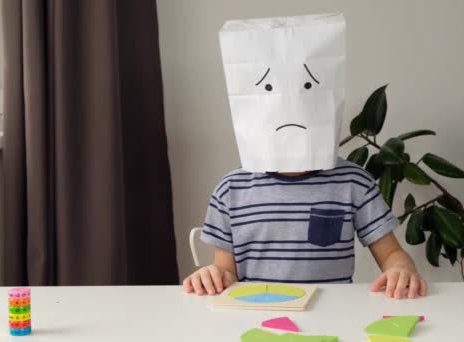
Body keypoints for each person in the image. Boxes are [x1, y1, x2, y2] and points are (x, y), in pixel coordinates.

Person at [183, 14, 427, 299]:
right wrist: (211, 275)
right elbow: (226, 273)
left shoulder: (352, 182)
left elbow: (392, 255)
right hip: (255, 319)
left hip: (333, 318)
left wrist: (401, 270)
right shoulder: (231, 189)